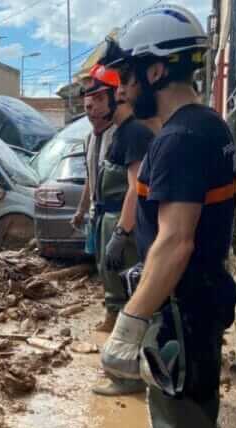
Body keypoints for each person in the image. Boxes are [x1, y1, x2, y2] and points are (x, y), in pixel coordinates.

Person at [100, 5, 236, 428]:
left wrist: (130, 323)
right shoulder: (206, 126)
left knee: (180, 423)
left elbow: (176, 241)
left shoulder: (180, 139)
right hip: (196, 311)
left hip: (182, 319)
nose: (120, 91)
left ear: (156, 71)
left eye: (127, 78)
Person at [84, 62, 155, 397]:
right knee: (116, 289)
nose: (94, 108)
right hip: (112, 222)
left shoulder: (136, 133)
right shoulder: (121, 133)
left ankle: (129, 376)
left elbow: (135, 189)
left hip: (124, 227)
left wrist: (122, 233)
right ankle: (125, 370)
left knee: (131, 296)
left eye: (100, 99)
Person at [71, 69, 116, 332]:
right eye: (87, 107)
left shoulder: (118, 135)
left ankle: (117, 315)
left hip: (116, 213)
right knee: (101, 265)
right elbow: (90, 177)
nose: (91, 112)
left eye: (96, 104)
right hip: (97, 214)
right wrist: (80, 211)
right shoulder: (90, 139)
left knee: (115, 266)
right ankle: (111, 311)